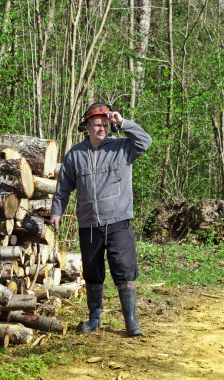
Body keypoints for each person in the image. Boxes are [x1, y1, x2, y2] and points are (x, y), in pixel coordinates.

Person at [50, 102, 152, 336]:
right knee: (92, 272)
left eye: (106, 124)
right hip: (89, 223)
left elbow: (145, 141)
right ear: (87, 126)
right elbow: (63, 187)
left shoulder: (122, 148)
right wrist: (56, 211)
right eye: (97, 124)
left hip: (118, 221)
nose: (102, 128)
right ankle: (94, 318)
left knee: (124, 270)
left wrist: (123, 122)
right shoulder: (76, 155)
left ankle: (131, 321)